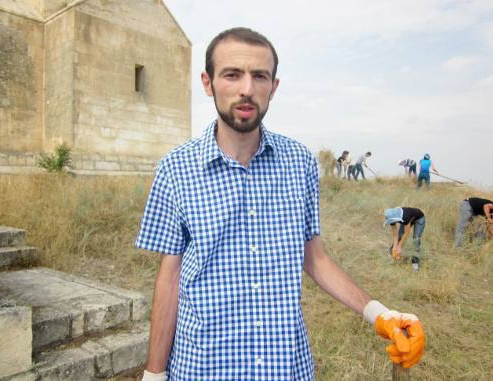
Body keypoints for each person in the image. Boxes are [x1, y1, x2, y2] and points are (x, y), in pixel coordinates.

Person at [136, 27, 425, 381]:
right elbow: (171, 274)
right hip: (202, 366)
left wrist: (379, 313)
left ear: (273, 87)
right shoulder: (175, 168)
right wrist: (154, 372)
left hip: (285, 368)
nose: (246, 88)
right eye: (232, 74)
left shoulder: (299, 163)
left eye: (260, 76)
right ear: (208, 83)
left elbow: (313, 256)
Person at [384, 207, 426, 271]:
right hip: (408, 219)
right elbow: (395, 235)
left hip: (419, 219)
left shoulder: (405, 216)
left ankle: (415, 262)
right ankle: (393, 255)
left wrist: (400, 246)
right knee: (400, 236)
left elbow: (406, 233)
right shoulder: (391, 218)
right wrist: (395, 246)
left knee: (416, 239)